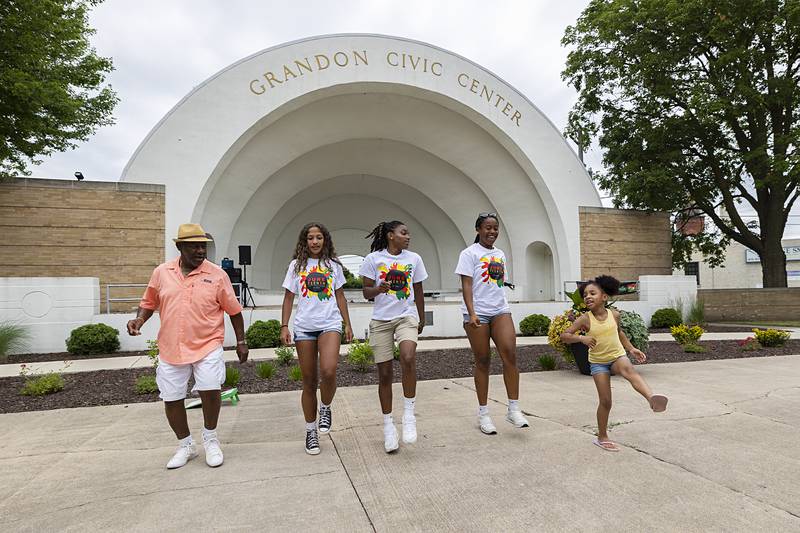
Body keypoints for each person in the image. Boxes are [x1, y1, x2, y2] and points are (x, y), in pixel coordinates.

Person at [127, 223, 248, 469]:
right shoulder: (162, 272)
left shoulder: (217, 274)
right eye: (194, 246)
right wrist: (139, 319)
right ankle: (186, 445)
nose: (200, 251)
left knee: (210, 389)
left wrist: (241, 342)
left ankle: (211, 439)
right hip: (171, 347)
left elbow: (234, 311)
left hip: (207, 344)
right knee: (171, 398)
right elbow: (148, 302)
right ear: (180, 247)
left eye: (203, 246)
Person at [560, 275, 668, 452]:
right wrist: (582, 338)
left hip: (617, 356)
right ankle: (602, 437)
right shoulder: (584, 319)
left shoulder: (614, 314)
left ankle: (651, 398)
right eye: (585, 294)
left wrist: (631, 349)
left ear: (604, 297)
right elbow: (564, 336)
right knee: (606, 401)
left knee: (629, 370)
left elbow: (619, 333)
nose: (587, 296)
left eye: (592, 293)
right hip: (598, 363)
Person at [280, 223, 353, 455]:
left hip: (329, 323)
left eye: (319, 237)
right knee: (309, 381)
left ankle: (326, 407)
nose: (314, 242)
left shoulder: (333, 265)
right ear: (304, 241)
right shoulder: (296, 266)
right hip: (304, 327)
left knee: (329, 371)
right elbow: (289, 298)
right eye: (310, 238)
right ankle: (311, 431)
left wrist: (347, 323)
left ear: (325, 240)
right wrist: (284, 326)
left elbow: (340, 296)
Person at [456, 212, 530, 434]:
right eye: (488, 228)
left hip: (500, 309)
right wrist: (472, 313)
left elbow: (497, 284)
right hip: (477, 312)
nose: (492, 232)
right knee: (483, 361)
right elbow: (467, 285)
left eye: (495, 228)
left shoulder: (500, 254)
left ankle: (513, 409)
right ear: (478, 230)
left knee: (510, 354)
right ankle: (483, 414)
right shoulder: (469, 254)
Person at [359, 221, 427, 453]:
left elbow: (418, 289)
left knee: (408, 357)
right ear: (391, 236)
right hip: (381, 321)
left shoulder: (414, 259)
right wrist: (379, 288)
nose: (408, 237)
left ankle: (409, 414)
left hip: (406, 316)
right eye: (403, 233)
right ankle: (389, 426)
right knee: (385, 374)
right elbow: (366, 292)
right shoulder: (373, 259)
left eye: (408, 233)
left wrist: (421, 317)